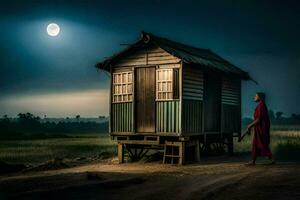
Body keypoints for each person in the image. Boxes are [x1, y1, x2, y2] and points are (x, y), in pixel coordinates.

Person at [246, 92, 275, 165]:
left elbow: (259, 119)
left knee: (262, 143)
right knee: (257, 143)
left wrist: (249, 125)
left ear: (260, 97)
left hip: (262, 128)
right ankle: (253, 161)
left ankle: (271, 159)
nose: (254, 97)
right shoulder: (261, 105)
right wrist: (252, 126)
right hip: (259, 128)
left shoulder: (261, 106)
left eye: (256, 96)